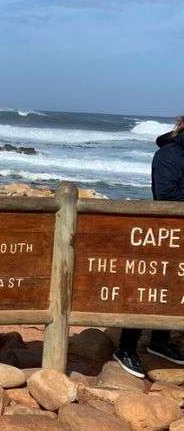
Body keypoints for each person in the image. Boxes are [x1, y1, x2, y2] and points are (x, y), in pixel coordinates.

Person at [113, 118, 184, 378]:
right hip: (164, 232)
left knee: (174, 287)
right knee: (149, 289)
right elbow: (166, 194)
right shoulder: (168, 155)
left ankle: (159, 341)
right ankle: (125, 347)